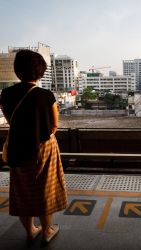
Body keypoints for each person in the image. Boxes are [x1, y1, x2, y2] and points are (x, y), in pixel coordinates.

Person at [0, 50, 67, 245]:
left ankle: (30, 232)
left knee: (23, 190)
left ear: (17, 70)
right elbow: (54, 125)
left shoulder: (6, 93)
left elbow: (10, 119)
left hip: (18, 145)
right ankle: (46, 231)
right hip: (43, 148)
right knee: (45, 189)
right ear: (40, 71)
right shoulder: (46, 95)